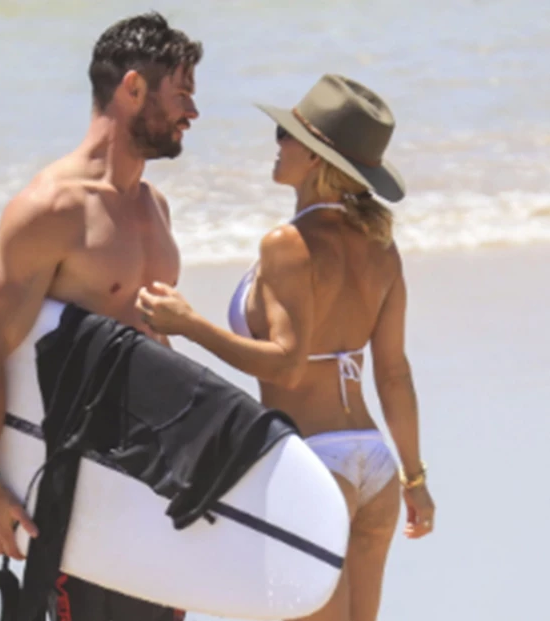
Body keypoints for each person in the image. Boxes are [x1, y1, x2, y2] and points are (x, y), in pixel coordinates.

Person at [136, 74, 435, 621]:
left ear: (317, 156)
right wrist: (414, 479)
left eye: (285, 134)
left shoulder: (287, 243)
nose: (277, 144)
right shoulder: (380, 247)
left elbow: (288, 367)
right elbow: (394, 374)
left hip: (314, 464)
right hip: (374, 464)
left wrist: (189, 324)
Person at [0, 11, 201, 621]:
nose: (192, 112)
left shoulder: (156, 207)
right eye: (181, 95)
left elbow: (151, 344)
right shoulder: (52, 208)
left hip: (153, 484)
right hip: (78, 489)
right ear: (133, 89)